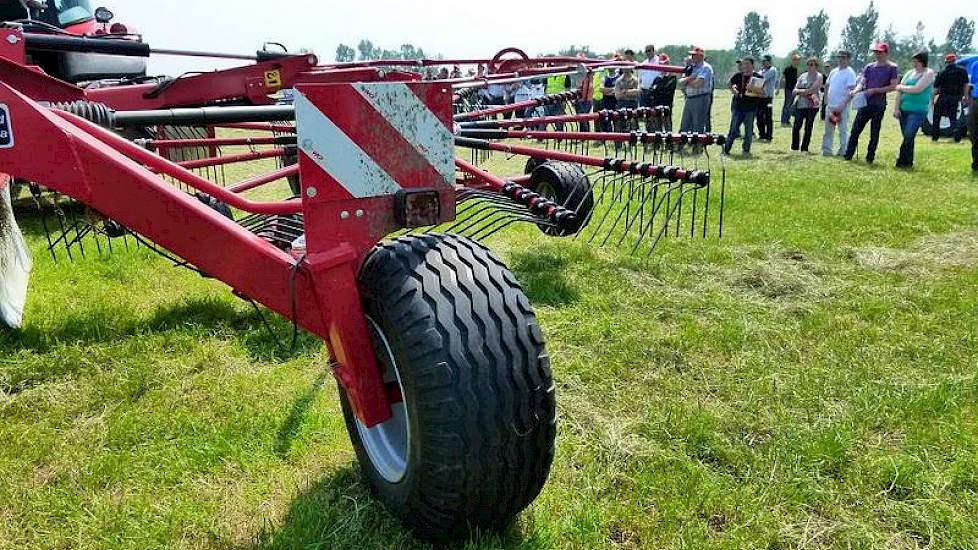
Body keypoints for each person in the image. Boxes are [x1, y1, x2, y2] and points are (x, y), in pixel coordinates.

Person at [844, 43, 900, 163]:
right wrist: (854, 91)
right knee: (855, 130)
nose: (877, 54)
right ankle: (848, 154)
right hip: (865, 103)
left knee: (874, 132)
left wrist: (875, 90)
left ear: (886, 53)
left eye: (880, 52)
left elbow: (893, 86)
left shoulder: (892, 67)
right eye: (876, 52)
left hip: (879, 105)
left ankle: (870, 157)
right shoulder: (869, 67)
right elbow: (862, 82)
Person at [893, 51, 936, 169]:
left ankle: (900, 160)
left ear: (922, 61)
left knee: (908, 134)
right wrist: (896, 108)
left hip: (918, 110)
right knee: (909, 138)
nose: (914, 63)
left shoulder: (929, 73)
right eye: (914, 61)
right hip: (904, 110)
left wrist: (901, 87)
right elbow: (899, 92)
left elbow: (918, 89)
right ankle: (908, 162)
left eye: (916, 61)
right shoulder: (909, 73)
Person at [822, 50, 858, 157]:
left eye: (844, 57)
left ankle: (844, 150)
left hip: (842, 106)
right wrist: (826, 101)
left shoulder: (850, 73)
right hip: (831, 106)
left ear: (848, 59)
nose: (841, 59)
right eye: (839, 57)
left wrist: (843, 104)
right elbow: (827, 85)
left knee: (842, 130)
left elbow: (851, 91)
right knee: (829, 129)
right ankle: (827, 150)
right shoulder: (834, 71)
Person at [725, 56, 762, 155]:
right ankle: (726, 149)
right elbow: (729, 83)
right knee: (733, 129)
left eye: (747, 64)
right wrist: (734, 91)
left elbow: (762, 92)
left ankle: (746, 150)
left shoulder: (758, 77)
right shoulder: (738, 75)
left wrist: (753, 88)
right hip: (738, 107)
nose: (745, 66)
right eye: (744, 64)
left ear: (752, 65)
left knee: (748, 130)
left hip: (751, 108)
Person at [932, 53, 970, 142]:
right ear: (955, 61)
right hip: (955, 97)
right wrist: (965, 96)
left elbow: (936, 87)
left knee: (936, 116)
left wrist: (932, 98)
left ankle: (935, 136)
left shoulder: (942, 72)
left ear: (946, 62)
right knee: (953, 117)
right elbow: (966, 84)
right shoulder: (962, 71)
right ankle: (957, 135)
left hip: (943, 97)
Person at [679, 46, 714, 133]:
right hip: (689, 98)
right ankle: (683, 144)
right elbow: (680, 82)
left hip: (701, 98)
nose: (692, 57)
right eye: (692, 55)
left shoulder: (706, 68)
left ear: (701, 56)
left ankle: (698, 145)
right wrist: (691, 78)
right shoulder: (691, 68)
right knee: (685, 125)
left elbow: (698, 84)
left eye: (694, 55)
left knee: (698, 125)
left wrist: (687, 81)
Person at [792, 58, 823, 152]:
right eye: (808, 64)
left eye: (812, 64)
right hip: (801, 104)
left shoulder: (819, 76)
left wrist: (799, 91)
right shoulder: (802, 76)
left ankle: (804, 148)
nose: (809, 66)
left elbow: (812, 90)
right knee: (797, 126)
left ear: (816, 66)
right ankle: (794, 147)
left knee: (808, 127)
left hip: (812, 106)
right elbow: (794, 90)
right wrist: (803, 92)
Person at [651, 53, 677, 131]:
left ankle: (669, 141)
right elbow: (651, 92)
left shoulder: (672, 77)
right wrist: (657, 90)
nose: (662, 66)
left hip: (667, 105)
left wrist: (658, 89)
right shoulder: (657, 78)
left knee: (667, 124)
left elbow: (668, 90)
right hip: (656, 104)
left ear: (668, 63)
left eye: (664, 64)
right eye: (660, 64)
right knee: (657, 125)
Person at [639, 45, 662, 130]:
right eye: (646, 51)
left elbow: (661, 75)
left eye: (649, 51)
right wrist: (640, 88)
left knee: (655, 114)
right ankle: (649, 134)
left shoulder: (659, 61)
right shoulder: (644, 63)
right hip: (645, 91)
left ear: (653, 51)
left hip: (655, 92)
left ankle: (656, 134)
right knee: (646, 114)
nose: (648, 53)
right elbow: (640, 79)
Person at [758, 55, 778, 140]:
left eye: (765, 61)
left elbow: (762, 78)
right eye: (762, 61)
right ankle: (762, 135)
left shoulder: (772, 70)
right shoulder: (761, 71)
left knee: (768, 117)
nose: (763, 62)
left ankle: (769, 136)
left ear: (769, 62)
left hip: (768, 98)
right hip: (760, 97)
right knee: (759, 116)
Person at [614, 67, 641, 132]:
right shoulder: (618, 80)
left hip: (633, 104)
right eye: (624, 67)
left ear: (631, 68)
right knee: (620, 125)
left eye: (627, 67)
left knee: (634, 125)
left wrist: (624, 91)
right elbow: (617, 96)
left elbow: (638, 92)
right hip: (621, 104)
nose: (625, 69)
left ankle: (633, 141)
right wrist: (631, 92)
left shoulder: (636, 80)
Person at [779, 54, 801, 126]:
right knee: (787, 105)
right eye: (795, 60)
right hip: (788, 89)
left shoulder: (796, 69)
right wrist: (778, 88)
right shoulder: (787, 68)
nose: (797, 61)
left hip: (794, 89)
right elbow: (782, 78)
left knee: (791, 105)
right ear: (792, 60)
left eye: (798, 60)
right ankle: (783, 121)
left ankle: (787, 120)